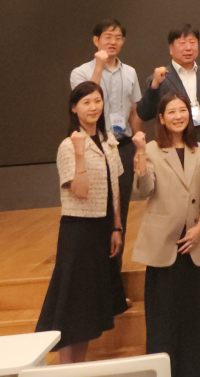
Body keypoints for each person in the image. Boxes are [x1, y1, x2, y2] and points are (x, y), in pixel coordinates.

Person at [36, 81, 127, 363]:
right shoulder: (68, 146)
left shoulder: (109, 141)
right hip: (78, 231)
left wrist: (116, 227)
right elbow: (80, 191)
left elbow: (115, 188)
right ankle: (67, 368)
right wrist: (79, 153)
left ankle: (80, 367)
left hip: (102, 229)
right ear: (74, 108)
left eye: (97, 101)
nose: (93, 107)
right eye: (86, 102)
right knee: (72, 305)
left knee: (88, 308)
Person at [132, 93, 200, 377]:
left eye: (183, 110)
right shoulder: (151, 150)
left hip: (193, 247)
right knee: (162, 327)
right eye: (172, 112)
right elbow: (143, 190)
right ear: (161, 118)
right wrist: (140, 154)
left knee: (193, 325)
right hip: (162, 250)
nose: (178, 116)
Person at [69, 19, 141, 271]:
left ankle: (114, 277)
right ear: (95, 40)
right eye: (107, 37)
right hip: (93, 147)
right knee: (96, 210)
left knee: (120, 212)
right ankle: (94, 274)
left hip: (123, 145)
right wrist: (99, 66)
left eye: (118, 37)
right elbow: (88, 97)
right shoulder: (80, 72)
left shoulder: (130, 72)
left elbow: (134, 111)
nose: (113, 42)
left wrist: (139, 147)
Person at [138, 25, 200, 176]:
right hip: (171, 152)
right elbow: (144, 113)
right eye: (182, 43)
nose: (188, 48)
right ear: (171, 49)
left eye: (192, 42)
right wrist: (154, 86)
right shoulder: (160, 78)